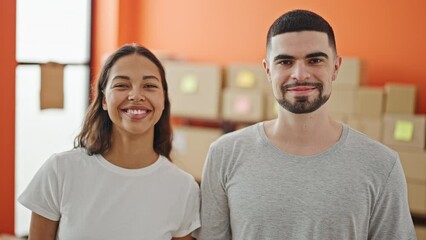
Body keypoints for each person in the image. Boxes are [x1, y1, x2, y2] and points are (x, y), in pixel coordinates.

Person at [194, 9, 416, 240]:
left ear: (336, 67)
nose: (300, 74)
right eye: (285, 62)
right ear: (268, 70)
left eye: (315, 60)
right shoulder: (224, 154)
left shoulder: (381, 164)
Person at [18, 43, 200, 240]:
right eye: (122, 85)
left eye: (149, 86)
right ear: (104, 100)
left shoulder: (182, 187)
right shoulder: (61, 171)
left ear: (163, 99)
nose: (136, 96)